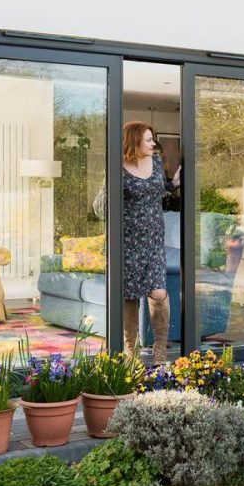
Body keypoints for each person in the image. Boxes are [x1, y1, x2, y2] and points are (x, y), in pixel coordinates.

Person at [94, 122, 181, 362]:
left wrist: (172, 185)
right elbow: (100, 208)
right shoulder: (117, 168)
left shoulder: (154, 163)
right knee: (129, 297)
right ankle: (131, 354)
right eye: (148, 140)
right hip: (128, 243)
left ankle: (160, 353)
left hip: (154, 241)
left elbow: (159, 191)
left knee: (159, 293)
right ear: (133, 142)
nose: (153, 143)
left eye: (152, 139)